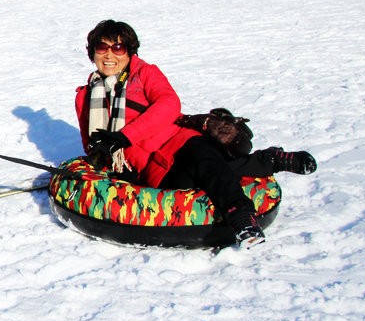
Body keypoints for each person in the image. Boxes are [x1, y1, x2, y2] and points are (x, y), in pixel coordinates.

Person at [74, 19, 317, 248]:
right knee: (192, 181)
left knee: (203, 159)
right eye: (102, 47)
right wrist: (101, 152)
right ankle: (266, 160)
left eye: (117, 47)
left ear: (129, 51)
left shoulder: (145, 73)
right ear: (92, 52)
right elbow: (90, 143)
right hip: (152, 168)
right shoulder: (85, 96)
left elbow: (169, 103)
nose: (109, 54)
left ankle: (242, 217)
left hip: (178, 141)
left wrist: (126, 136)